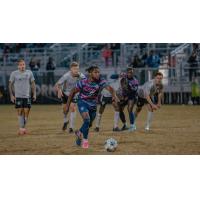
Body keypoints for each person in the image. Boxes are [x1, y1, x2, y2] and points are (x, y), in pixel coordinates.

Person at [65, 65, 119, 149]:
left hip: (93, 105)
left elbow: (110, 88)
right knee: (87, 120)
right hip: (82, 102)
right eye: (95, 72)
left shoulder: (101, 81)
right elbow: (72, 92)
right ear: (90, 73)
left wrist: (114, 95)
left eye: (98, 72)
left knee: (88, 125)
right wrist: (67, 105)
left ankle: (79, 134)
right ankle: (85, 141)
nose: (98, 74)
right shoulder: (83, 82)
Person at [55, 62, 85, 133]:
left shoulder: (80, 75)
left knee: (73, 108)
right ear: (71, 69)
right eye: (74, 69)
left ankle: (71, 127)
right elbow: (57, 84)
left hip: (74, 94)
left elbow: (86, 82)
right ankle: (66, 121)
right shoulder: (66, 76)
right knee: (65, 110)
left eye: (77, 69)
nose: (76, 70)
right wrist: (59, 90)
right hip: (65, 93)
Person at [9, 59, 36, 135]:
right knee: (20, 111)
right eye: (20, 65)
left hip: (27, 96)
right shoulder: (14, 73)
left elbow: (33, 84)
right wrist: (11, 95)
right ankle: (22, 129)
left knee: (26, 112)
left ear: (25, 65)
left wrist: (34, 94)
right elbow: (10, 85)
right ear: (18, 66)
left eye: (23, 64)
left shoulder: (29, 73)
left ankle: (22, 128)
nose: (22, 66)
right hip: (18, 96)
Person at [112, 68, 139, 132]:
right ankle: (125, 125)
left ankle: (132, 126)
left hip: (132, 96)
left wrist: (128, 87)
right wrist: (118, 75)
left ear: (133, 73)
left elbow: (134, 91)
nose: (130, 74)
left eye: (131, 72)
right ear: (127, 73)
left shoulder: (135, 81)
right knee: (119, 109)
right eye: (129, 72)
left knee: (129, 109)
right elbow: (112, 76)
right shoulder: (124, 77)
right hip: (124, 96)